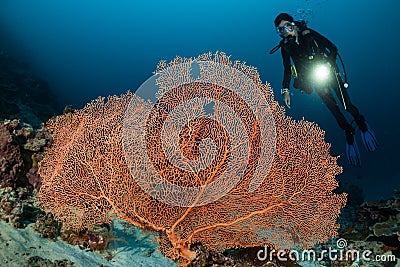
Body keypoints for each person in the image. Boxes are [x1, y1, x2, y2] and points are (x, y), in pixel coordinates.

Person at [270, 13, 378, 167]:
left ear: (293, 24)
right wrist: (285, 89)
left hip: (329, 73)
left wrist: (328, 63)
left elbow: (333, 47)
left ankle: (361, 123)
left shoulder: (309, 34)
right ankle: (348, 132)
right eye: (281, 30)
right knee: (334, 111)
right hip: (315, 79)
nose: (286, 31)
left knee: (346, 104)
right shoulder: (285, 48)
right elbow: (287, 69)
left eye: (288, 26)